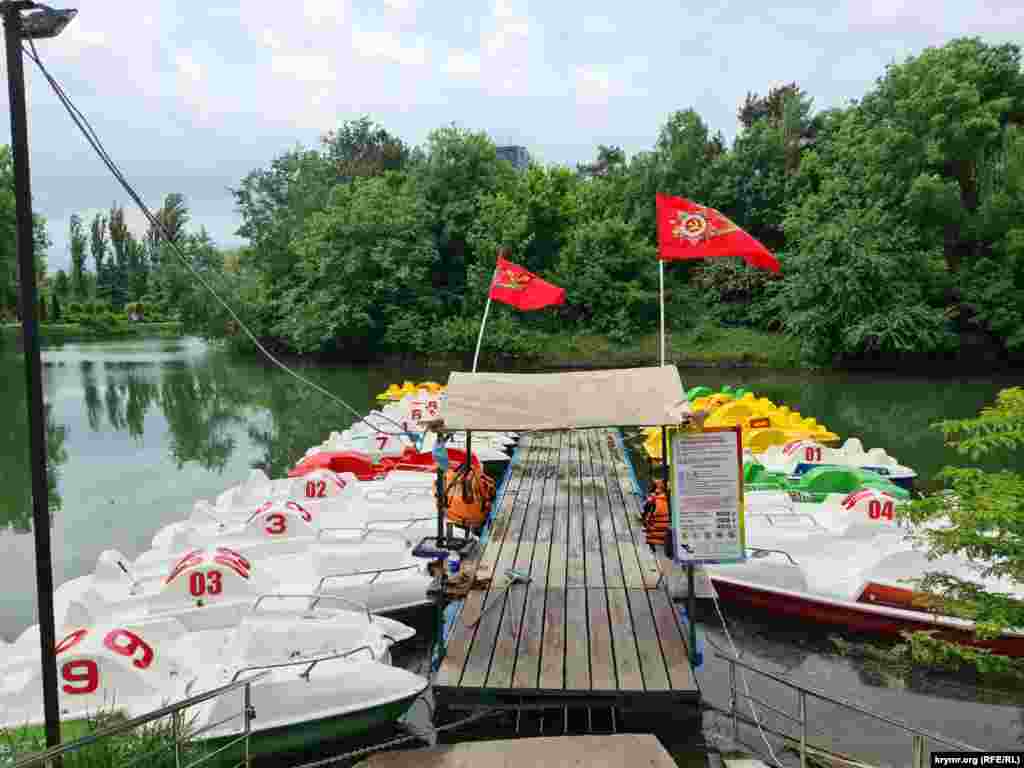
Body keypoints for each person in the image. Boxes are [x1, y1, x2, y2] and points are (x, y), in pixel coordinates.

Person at [643, 478, 671, 554]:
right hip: (667, 528)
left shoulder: (653, 497)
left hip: (655, 530)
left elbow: (645, 507)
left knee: (648, 519)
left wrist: (645, 518)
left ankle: (652, 549)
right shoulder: (669, 497)